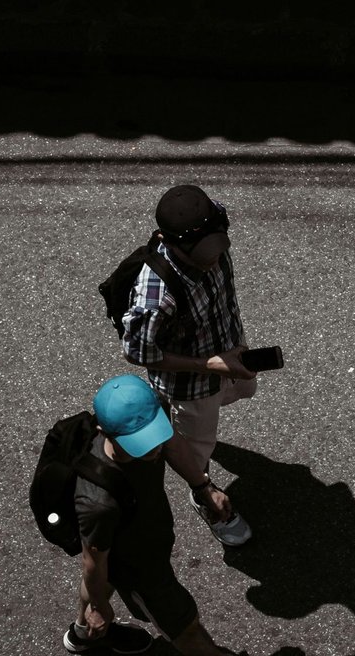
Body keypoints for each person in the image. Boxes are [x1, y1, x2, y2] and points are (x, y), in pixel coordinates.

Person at [119, 184, 258, 547]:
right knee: (195, 448)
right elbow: (136, 352)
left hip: (227, 355)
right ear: (167, 240)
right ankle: (204, 494)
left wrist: (227, 356)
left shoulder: (210, 224)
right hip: (190, 384)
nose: (212, 259)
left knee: (242, 391)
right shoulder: (154, 293)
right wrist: (209, 364)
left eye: (217, 248)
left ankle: (192, 434)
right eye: (201, 256)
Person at [69, 374, 243, 656]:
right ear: (103, 432)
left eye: (154, 434)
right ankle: (92, 625)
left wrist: (203, 487)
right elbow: (93, 562)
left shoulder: (150, 413)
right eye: (141, 442)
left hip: (136, 537)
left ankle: (82, 636)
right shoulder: (98, 502)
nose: (154, 447)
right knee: (186, 631)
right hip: (141, 569)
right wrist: (100, 608)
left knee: (105, 575)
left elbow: (172, 443)